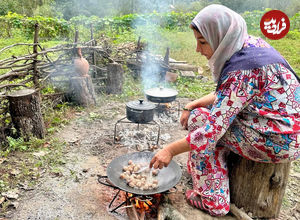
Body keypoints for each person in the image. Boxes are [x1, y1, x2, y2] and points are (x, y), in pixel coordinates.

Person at [149, 4, 300, 216]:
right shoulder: (250, 45)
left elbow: (210, 133)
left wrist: (170, 150)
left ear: (221, 37)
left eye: (202, 42)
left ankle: (213, 200)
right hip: (287, 130)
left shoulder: (241, 71)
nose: (198, 49)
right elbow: (232, 97)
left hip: (276, 141)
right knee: (201, 115)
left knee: (201, 124)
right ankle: (211, 169)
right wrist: (192, 103)